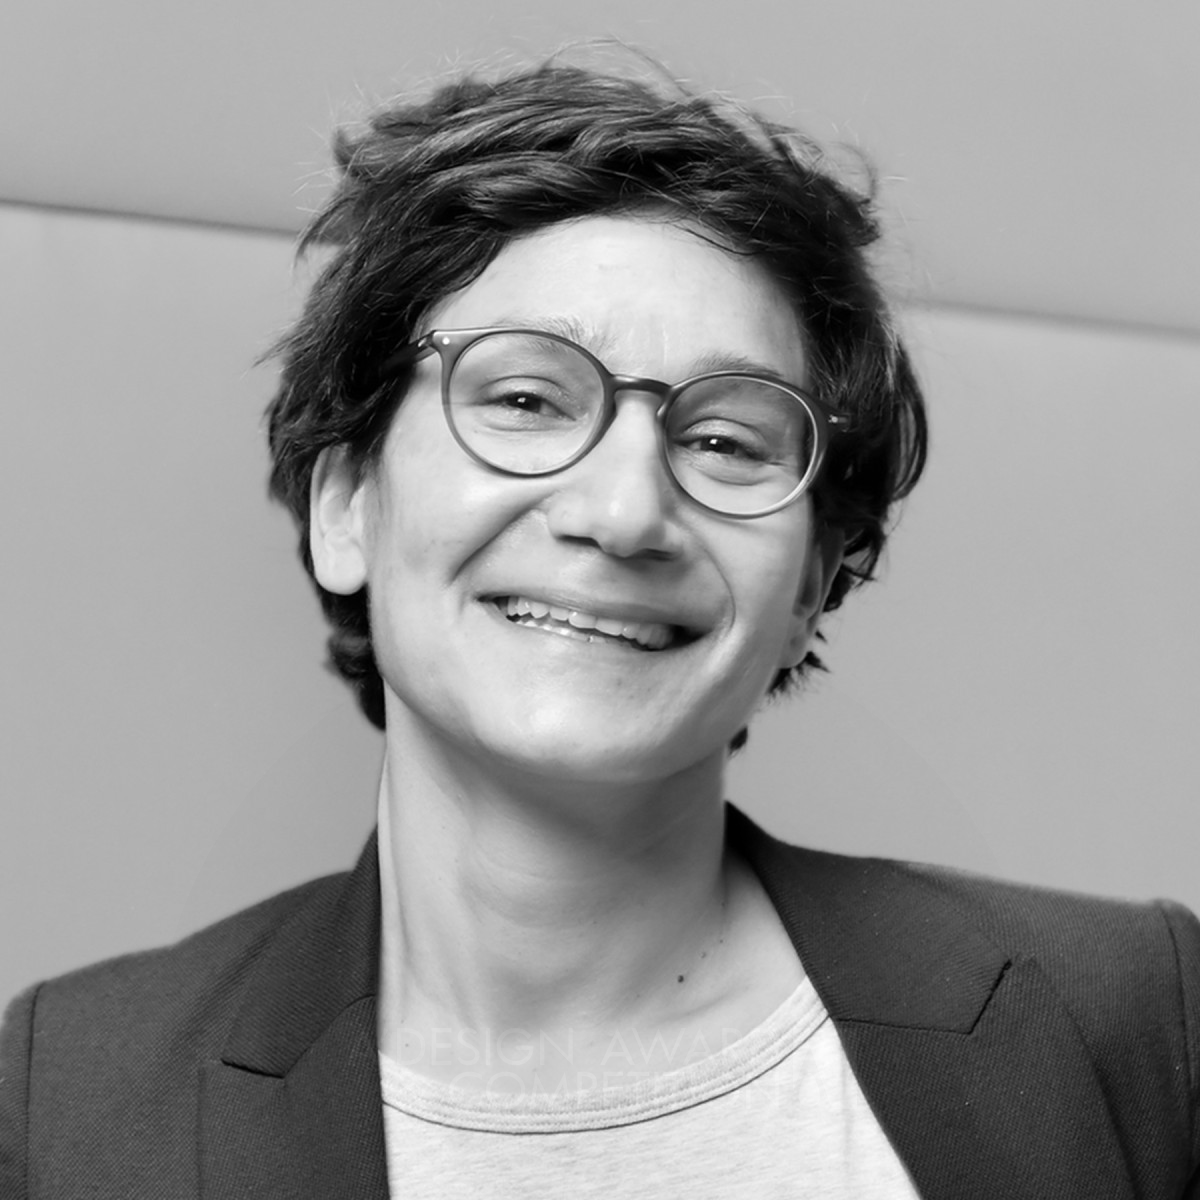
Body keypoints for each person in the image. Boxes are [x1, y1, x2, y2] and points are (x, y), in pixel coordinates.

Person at [1, 56, 1197, 1200]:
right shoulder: (70, 1102)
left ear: (811, 584)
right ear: (345, 506)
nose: (625, 513)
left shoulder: (1129, 1018)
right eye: (526, 398)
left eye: (725, 441)